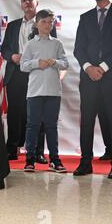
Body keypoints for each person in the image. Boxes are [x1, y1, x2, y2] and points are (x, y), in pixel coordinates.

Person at [73, 0, 112, 179]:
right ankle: (85, 163)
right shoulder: (85, 18)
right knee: (87, 122)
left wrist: (101, 67)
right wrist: (88, 68)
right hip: (88, 79)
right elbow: (78, 49)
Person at [1, 0, 54, 163]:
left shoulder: (44, 24)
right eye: (24, 0)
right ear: (20, 5)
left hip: (37, 74)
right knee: (15, 113)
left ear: (36, 3)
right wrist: (12, 56)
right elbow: (4, 49)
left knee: (37, 113)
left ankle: (37, 151)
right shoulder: (12, 25)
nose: (27, 2)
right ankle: (12, 148)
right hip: (15, 73)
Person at [20, 9, 69, 172]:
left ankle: (55, 159)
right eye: (44, 22)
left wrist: (54, 62)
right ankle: (30, 160)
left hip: (54, 92)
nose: (48, 25)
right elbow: (23, 65)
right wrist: (36, 63)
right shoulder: (31, 44)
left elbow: (65, 63)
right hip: (34, 92)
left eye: (50, 22)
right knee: (33, 126)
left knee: (51, 126)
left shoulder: (57, 44)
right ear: (37, 24)